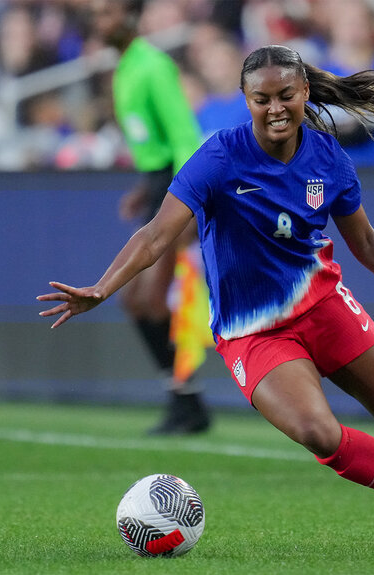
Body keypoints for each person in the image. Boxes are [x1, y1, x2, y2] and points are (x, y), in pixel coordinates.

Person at [39, 44, 374, 552]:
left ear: (305, 91)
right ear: (246, 101)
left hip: (325, 306)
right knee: (318, 432)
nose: (276, 108)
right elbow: (156, 234)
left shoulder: (328, 157)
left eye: (286, 95)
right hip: (253, 332)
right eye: (262, 99)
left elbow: (367, 244)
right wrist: (102, 288)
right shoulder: (219, 157)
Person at [89, 0, 211, 435]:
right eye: (97, 15)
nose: (102, 22)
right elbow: (154, 144)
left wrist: (190, 200)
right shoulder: (124, 69)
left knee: (152, 301)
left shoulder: (152, 66)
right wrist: (143, 189)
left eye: (109, 13)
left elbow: (183, 136)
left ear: (131, 16)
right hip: (158, 185)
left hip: (178, 188)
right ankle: (185, 400)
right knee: (138, 301)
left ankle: (188, 403)